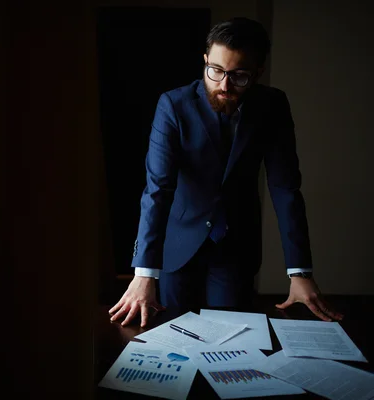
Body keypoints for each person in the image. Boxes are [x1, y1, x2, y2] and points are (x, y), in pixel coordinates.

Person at [109, 17, 344, 327]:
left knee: (232, 340)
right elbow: (157, 190)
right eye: (216, 71)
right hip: (176, 247)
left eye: (239, 76)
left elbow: (285, 188)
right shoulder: (173, 106)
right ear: (206, 60)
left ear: (258, 72)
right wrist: (144, 272)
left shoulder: (273, 106)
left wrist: (299, 271)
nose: (224, 85)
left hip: (235, 246)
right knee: (173, 335)